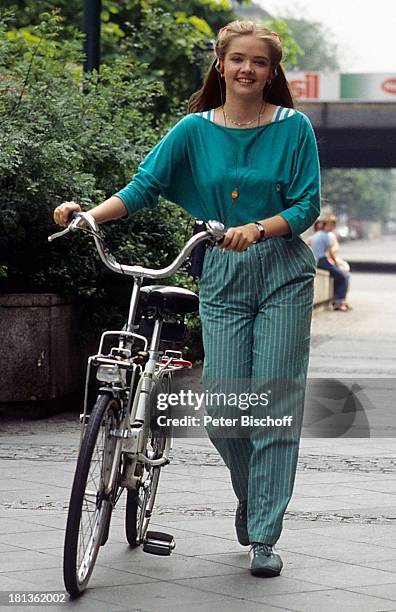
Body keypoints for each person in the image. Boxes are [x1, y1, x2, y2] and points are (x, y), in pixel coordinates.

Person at [53, 20, 320, 577]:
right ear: (221, 65)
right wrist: (86, 216)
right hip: (222, 276)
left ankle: (264, 530)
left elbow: (305, 207)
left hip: (284, 275)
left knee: (271, 406)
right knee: (224, 411)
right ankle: (254, 494)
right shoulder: (193, 130)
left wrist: (260, 228)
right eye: (238, 60)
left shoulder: (294, 128)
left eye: (260, 62)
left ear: (272, 73)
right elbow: (142, 187)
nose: (248, 69)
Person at [310, 216, 351, 311]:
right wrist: (336, 263)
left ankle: (337, 299)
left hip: (317, 260)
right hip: (322, 261)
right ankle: (340, 302)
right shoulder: (325, 236)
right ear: (326, 226)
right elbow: (330, 253)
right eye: (331, 226)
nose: (332, 228)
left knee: (338, 276)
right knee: (343, 277)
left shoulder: (317, 235)